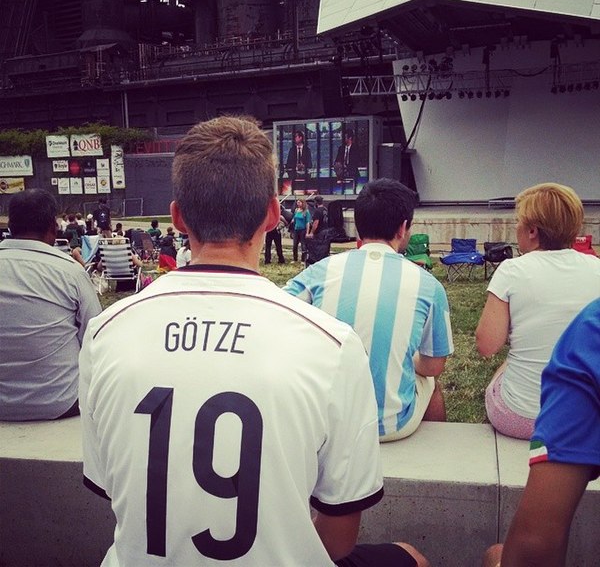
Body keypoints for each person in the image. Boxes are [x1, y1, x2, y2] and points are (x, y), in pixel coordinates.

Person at [79, 116, 428, 567]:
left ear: (178, 217)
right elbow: (339, 539)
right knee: (409, 558)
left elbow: (110, 486)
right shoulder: (332, 346)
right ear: (273, 213)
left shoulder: (106, 332)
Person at [284, 178, 453, 441]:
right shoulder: (429, 286)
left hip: (324, 426)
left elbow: (276, 315)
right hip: (392, 426)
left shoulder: (318, 272)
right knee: (430, 384)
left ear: (359, 226)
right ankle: (438, 451)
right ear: (403, 228)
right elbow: (433, 366)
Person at [476, 182, 600, 440]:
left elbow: (487, 345)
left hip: (522, 418)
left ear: (532, 231)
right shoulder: (596, 269)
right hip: (583, 420)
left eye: (517, 223)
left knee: (507, 367)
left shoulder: (512, 270)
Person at [482, 298, 600, 567]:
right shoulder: (594, 273)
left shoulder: (593, 329)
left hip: (517, 414)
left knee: (495, 556)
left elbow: (534, 545)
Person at [0, 189, 101, 421]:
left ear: (11, 227)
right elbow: (94, 338)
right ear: (53, 228)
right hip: (60, 401)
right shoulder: (69, 272)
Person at [290, 198, 311, 262]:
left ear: (302, 203)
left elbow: (307, 222)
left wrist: (307, 232)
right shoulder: (296, 210)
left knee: (303, 245)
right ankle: (295, 259)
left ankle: (303, 259)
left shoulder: (306, 212)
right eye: (297, 202)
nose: (298, 204)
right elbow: (294, 218)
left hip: (303, 230)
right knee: (294, 245)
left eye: (299, 202)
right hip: (296, 229)